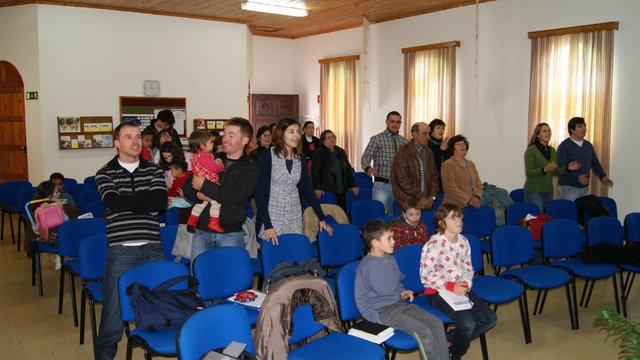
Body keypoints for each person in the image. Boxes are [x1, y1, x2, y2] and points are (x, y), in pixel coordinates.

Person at [94, 122, 168, 360]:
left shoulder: (154, 170)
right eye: (128, 137)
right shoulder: (105, 173)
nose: (135, 141)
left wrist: (129, 200)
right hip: (122, 250)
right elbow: (114, 203)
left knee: (162, 303)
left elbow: (158, 202)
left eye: (138, 137)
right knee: (113, 314)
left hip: (153, 248)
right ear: (116, 143)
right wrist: (143, 200)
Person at [354, 220, 448, 360]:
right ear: (375, 243)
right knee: (425, 332)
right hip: (382, 311)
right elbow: (361, 299)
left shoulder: (391, 260)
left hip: (399, 305)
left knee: (437, 323)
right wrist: (375, 318)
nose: (394, 241)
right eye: (389, 238)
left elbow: (396, 282)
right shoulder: (365, 267)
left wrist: (402, 291)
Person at [421, 203, 497, 359]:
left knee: (490, 318)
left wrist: (466, 284)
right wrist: (451, 286)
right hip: (437, 292)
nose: (459, 221)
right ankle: (455, 355)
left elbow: (468, 268)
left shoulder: (464, 241)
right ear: (441, 223)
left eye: (460, 217)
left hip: (460, 289)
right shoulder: (432, 245)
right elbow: (426, 276)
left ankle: (449, 340)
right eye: (452, 218)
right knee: (468, 324)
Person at [182, 117, 259, 261]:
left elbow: (234, 197)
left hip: (231, 234)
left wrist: (204, 186)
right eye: (225, 134)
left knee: (232, 281)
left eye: (231, 135)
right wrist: (199, 195)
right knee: (199, 279)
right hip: (201, 231)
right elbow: (187, 188)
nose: (225, 139)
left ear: (244, 141)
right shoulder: (210, 158)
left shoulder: (250, 168)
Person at [256, 118, 333, 245]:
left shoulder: (300, 158)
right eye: (291, 132)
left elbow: (307, 189)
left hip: (294, 213)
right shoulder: (267, 156)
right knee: (275, 257)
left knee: (295, 254)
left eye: (298, 132)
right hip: (273, 214)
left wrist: (321, 217)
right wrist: (268, 225)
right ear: (281, 134)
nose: (296, 136)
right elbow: (259, 193)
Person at [524, 123, 581, 212]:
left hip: (549, 191)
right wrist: (545, 169)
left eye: (549, 130)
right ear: (538, 135)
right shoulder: (531, 150)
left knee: (547, 218)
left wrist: (568, 168)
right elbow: (529, 173)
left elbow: (555, 172)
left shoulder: (553, 150)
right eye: (544, 131)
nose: (548, 133)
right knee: (536, 220)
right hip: (534, 191)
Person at [361, 111, 408, 214]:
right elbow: (365, 157)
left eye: (398, 122)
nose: (395, 124)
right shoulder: (377, 139)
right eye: (392, 121)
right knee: (380, 216)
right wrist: (368, 168)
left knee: (398, 218)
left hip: (400, 187)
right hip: (382, 186)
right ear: (386, 122)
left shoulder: (404, 141)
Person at [556, 117, 613, 201]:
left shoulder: (588, 145)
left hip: (584, 188)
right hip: (568, 188)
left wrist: (603, 176)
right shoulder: (564, 146)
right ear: (572, 129)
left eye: (584, 126)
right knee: (570, 213)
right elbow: (559, 169)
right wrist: (577, 178)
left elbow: (595, 163)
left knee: (582, 213)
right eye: (580, 126)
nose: (584, 129)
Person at [391, 122, 439, 210]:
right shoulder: (403, 152)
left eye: (429, 134)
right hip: (408, 201)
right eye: (424, 134)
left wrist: (431, 197)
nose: (428, 137)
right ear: (414, 134)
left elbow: (434, 176)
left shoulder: (429, 152)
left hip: (427, 202)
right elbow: (402, 180)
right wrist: (420, 197)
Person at [186, 130, 225, 233]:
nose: (213, 144)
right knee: (216, 202)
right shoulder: (204, 156)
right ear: (203, 146)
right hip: (207, 184)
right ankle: (214, 222)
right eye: (211, 142)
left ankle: (192, 220)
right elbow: (213, 168)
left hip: (199, 184)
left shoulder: (196, 156)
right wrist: (220, 165)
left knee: (202, 203)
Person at [311, 129, 359, 212]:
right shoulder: (318, 154)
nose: (332, 139)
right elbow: (315, 172)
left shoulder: (341, 152)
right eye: (329, 137)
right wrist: (317, 187)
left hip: (341, 187)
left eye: (333, 137)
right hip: (326, 189)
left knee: (341, 212)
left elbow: (348, 169)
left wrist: (353, 185)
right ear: (324, 141)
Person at [441, 135, 483, 209]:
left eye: (463, 144)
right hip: (454, 207)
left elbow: (478, 184)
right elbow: (450, 189)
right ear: (453, 148)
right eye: (458, 144)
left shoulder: (471, 164)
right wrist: (469, 200)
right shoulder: (448, 165)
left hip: (473, 205)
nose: (462, 146)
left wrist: (476, 196)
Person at [427, 119, 450, 191]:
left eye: (443, 128)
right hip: (431, 184)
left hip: (444, 182)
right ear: (431, 131)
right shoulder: (426, 144)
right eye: (438, 128)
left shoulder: (445, 144)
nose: (441, 130)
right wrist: (441, 150)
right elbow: (431, 164)